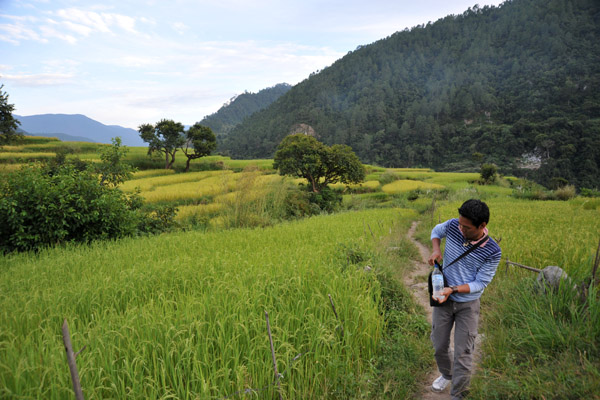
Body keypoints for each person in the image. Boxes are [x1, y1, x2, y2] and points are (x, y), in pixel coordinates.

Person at [427, 199, 501, 399]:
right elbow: (436, 231)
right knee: (439, 345)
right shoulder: (452, 226)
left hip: (467, 304)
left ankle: (458, 394)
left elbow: (480, 283)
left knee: (464, 352)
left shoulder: (492, 251)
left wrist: (453, 289)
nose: (460, 229)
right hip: (443, 300)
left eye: (466, 227)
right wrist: (436, 249)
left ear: (482, 225)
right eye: (460, 223)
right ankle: (447, 374)